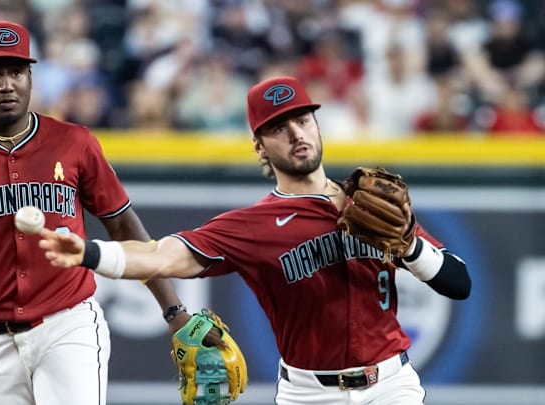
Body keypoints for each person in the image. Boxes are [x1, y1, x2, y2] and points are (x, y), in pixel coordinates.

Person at [37, 76, 473, 404]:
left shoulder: (371, 202)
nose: (297, 134)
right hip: (308, 394)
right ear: (260, 146)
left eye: (303, 120)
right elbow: (163, 257)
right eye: (279, 128)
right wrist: (92, 253)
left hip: (391, 386)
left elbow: (458, 283)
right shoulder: (254, 226)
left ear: (318, 126)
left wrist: (410, 246)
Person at [0, 20, 202, 405]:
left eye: (17, 72)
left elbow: (123, 225)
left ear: (30, 77)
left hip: (67, 323)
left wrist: (173, 311)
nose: (7, 84)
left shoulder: (74, 143)